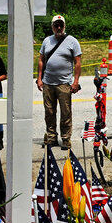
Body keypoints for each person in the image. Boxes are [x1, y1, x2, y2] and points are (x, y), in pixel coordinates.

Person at [37, 15, 82, 149]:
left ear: (64, 26)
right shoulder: (46, 41)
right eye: (56, 25)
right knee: (49, 112)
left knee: (65, 112)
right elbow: (41, 60)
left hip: (64, 83)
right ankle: (51, 137)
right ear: (52, 27)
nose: (58, 28)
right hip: (48, 83)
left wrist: (75, 82)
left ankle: (66, 138)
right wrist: (39, 79)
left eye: (60, 25)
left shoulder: (72, 41)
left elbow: (78, 63)